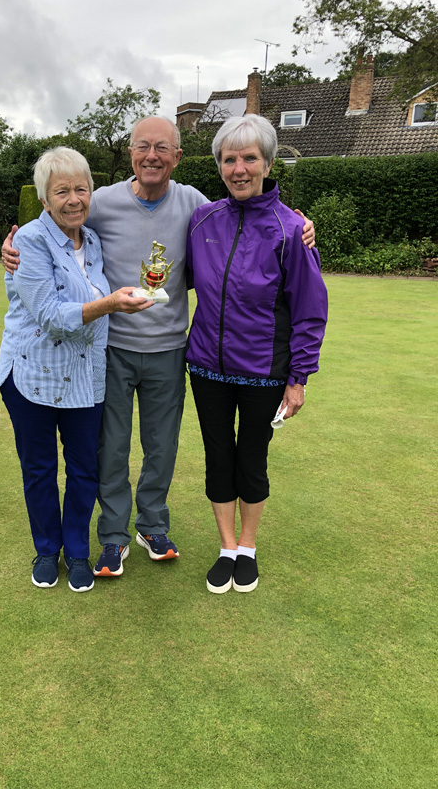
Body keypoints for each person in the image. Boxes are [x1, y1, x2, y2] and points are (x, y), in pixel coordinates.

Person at [2, 116, 316, 581]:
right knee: (111, 449)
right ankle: (112, 536)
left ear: (177, 157)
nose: (152, 156)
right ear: (130, 152)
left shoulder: (195, 203)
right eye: (142, 146)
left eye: (163, 148)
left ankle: (152, 526)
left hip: (170, 349)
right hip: (109, 348)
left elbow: (244, 217)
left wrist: (302, 225)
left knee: (161, 447)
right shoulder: (101, 202)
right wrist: (13, 245)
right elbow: (55, 221)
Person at [0, 147, 151, 592]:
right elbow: (50, 314)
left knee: (85, 469)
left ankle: (77, 551)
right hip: (32, 374)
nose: (73, 199)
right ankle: (47, 550)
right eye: (61, 191)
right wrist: (112, 304)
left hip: (85, 377)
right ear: (44, 198)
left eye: (81, 188)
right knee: (40, 469)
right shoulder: (27, 240)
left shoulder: (94, 239)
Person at [185, 114, 328, 595]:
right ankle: (226, 547)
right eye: (230, 158)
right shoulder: (202, 220)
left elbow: (309, 311)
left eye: (249, 158)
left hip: (266, 372)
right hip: (206, 366)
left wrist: (299, 378)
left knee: (251, 460)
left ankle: (247, 546)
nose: (239, 168)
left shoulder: (292, 230)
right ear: (220, 166)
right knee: (217, 456)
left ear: (267, 163)